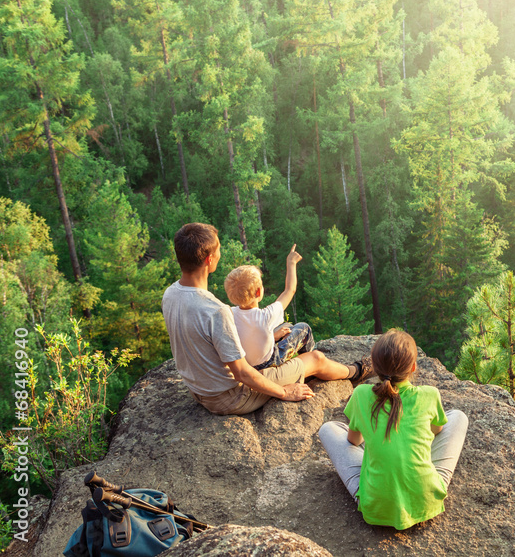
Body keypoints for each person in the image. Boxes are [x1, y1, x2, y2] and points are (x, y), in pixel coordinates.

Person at [162, 223, 371, 415]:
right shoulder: (216, 311)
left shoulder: (170, 294)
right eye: (218, 251)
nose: (219, 255)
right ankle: (357, 371)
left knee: (284, 334)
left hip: (199, 390)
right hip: (232, 397)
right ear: (209, 260)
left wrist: (270, 335)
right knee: (316, 359)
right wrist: (283, 392)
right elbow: (242, 374)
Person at [318, 329, 468, 530]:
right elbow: (438, 430)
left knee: (329, 429)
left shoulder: (361, 394)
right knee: (458, 416)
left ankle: (374, 480)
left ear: (375, 367)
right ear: (413, 367)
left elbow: (354, 441)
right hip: (426, 499)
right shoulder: (429, 395)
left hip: (376, 505)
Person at [224, 245, 315, 371]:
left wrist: (272, 336)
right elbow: (290, 290)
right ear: (258, 292)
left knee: (286, 327)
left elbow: (248, 334)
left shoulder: (229, 314)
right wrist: (291, 262)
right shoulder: (266, 316)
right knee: (303, 328)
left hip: (246, 365)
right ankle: (312, 364)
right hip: (269, 362)